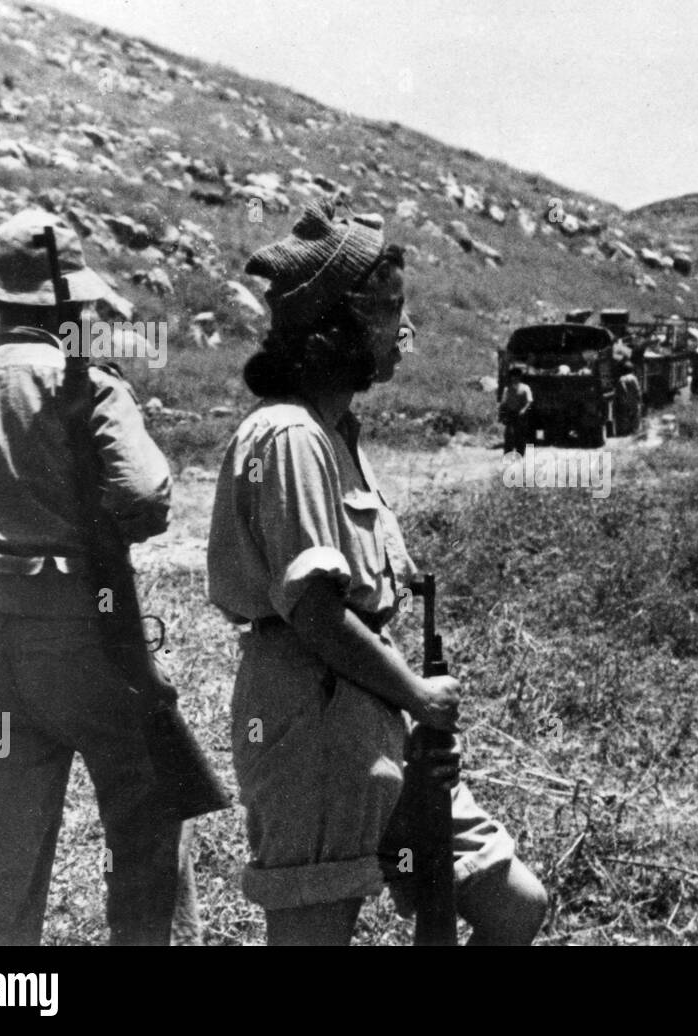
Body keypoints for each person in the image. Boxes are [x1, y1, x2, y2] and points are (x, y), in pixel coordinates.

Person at [207, 200, 546, 946]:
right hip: (312, 719)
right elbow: (317, 612)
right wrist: (420, 695)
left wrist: (408, 707)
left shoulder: (334, 433)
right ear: (340, 327)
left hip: (375, 717)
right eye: (391, 310)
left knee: (514, 904)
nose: (406, 330)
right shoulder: (290, 435)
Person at [0, 210, 187, 945]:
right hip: (83, 633)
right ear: (73, 309)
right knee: (147, 822)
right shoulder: (89, 384)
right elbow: (147, 499)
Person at [498, 365, 532, 453]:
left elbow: (529, 401)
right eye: (513, 376)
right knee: (509, 434)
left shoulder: (525, 388)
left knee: (520, 434)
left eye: (516, 376)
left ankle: (520, 453)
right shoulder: (507, 389)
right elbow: (503, 403)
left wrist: (524, 410)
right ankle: (508, 454)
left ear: (519, 377)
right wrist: (501, 414)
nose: (514, 378)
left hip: (521, 415)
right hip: (510, 414)